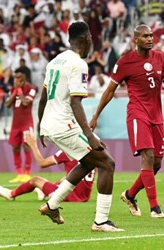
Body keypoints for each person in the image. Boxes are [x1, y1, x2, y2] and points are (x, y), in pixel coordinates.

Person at [37, 21, 123, 232]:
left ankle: (52, 205)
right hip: (64, 124)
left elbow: (43, 97)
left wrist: (41, 125)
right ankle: (101, 221)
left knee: (87, 163)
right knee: (107, 163)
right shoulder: (78, 64)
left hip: (51, 124)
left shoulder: (55, 61)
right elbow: (76, 102)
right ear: (87, 39)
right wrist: (90, 135)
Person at [90, 24, 164, 218]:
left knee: (156, 163)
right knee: (147, 155)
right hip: (138, 114)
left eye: (151, 36)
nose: (150, 39)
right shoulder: (125, 62)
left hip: (157, 116)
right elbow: (110, 90)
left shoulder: (160, 58)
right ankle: (154, 207)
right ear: (135, 40)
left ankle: (130, 195)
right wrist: (95, 115)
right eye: (145, 36)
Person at [0, 129, 95, 202]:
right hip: (85, 196)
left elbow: (42, 163)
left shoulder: (68, 152)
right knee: (66, 178)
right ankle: (44, 190)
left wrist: (33, 145)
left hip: (70, 196)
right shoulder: (94, 152)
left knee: (35, 180)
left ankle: (11, 194)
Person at [6, 68, 37, 183]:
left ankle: (27, 173)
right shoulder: (12, 90)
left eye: (18, 78)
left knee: (27, 146)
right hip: (15, 124)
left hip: (27, 122)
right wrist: (15, 92)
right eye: (15, 77)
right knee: (15, 147)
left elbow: (25, 102)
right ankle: (19, 174)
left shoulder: (32, 89)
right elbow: (8, 104)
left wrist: (19, 91)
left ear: (24, 79)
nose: (16, 79)